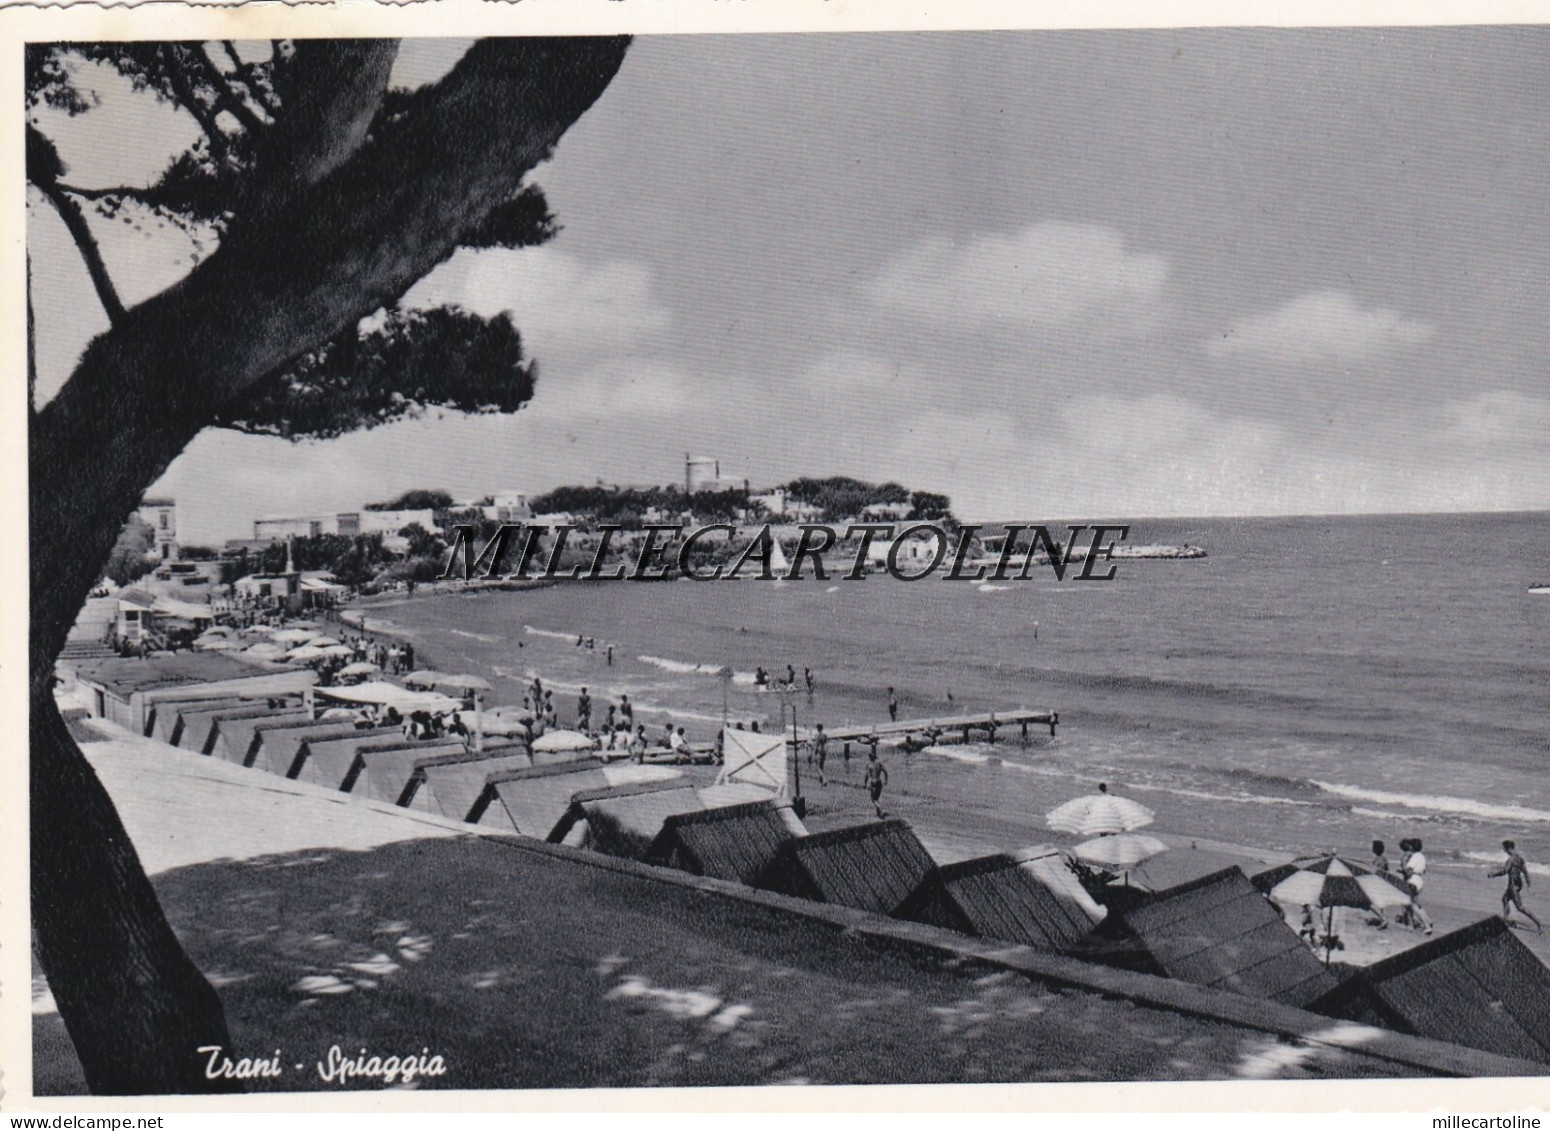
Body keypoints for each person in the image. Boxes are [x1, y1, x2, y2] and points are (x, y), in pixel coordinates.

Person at [1490, 840, 1543, 932]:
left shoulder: (1511, 859)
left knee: (1519, 907)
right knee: (1505, 899)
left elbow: (1505, 871)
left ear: (1509, 848)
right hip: (1518, 884)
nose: (1504, 851)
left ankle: (1538, 922)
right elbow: (1525, 872)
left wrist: (1493, 874)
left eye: (1504, 849)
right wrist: (1528, 883)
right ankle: (1505, 920)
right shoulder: (1519, 858)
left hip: (1513, 885)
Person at [1401, 838, 1434, 935]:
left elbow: (1408, 870)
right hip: (1420, 880)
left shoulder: (1414, 857)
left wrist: (1403, 865)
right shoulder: (1422, 857)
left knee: (1412, 904)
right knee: (1416, 902)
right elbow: (1424, 870)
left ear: (1411, 847)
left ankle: (1426, 925)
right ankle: (1428, 921)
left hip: (1413, 880)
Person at [1369, 840, 1392, 929]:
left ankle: (1383, 919)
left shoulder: (1376, 860)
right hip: (1383, 883)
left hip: (1377, 883)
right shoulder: (1384, 859)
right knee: (1382, 904)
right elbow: (1387, 871)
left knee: (1369, 904)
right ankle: (1383, 918)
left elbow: (1374, 872)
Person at [863, 748, 889, 818]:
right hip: (879, 782)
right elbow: (885, 772)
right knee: (876, 798)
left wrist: (865, 784)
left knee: (873, 799)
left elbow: (867, 775)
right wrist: (886, 780)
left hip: (873, 783)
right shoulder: (879, 763)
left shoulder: (869, 764)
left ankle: (880, 809)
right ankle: (878, 813)